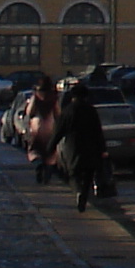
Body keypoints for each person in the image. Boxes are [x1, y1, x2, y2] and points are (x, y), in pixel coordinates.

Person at [55, 79, 108, 211]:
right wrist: (103, 149)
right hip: (90, 148)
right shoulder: (91, 111)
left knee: (74, 174)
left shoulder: (67, 111)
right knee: (89, 173)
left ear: (72, 96)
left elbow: (58, 131)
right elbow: (98, 131)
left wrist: (50, 148)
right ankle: (84, 193)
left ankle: (78, 191)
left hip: (72, 148)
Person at [23, 79, 60, 177]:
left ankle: (38, 164)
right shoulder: (54, 98)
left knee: (35, 148)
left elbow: (29, 111)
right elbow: (58, 113)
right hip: (50, 125)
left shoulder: (36, 96)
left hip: (37, 124)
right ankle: (48, 169)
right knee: (49, 149)